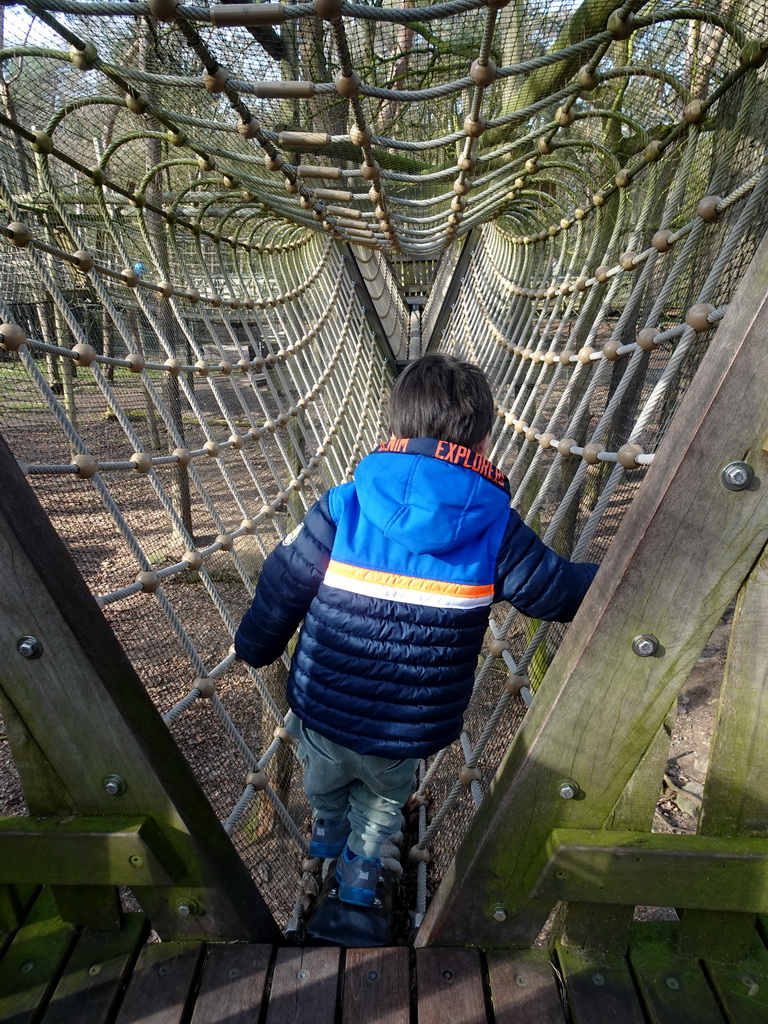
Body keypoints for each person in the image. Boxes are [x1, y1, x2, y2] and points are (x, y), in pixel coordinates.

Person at [235, 353, 598, 907]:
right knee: (383, 809)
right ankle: (358, 892)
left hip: (324, 710)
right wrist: (619, 574)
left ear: (393, 430)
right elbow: (556, 593)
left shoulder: (343, 506)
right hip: (406, 728)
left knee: (325, 781)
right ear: (481, 443)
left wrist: (254, 647)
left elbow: (282, 583)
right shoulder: (494, 529)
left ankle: (326, 831)